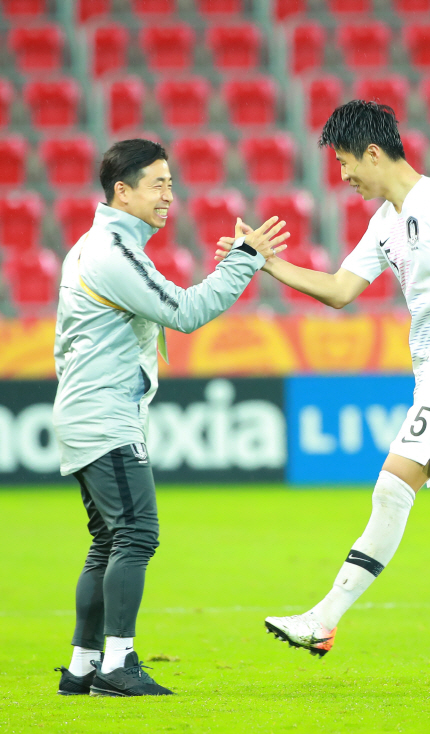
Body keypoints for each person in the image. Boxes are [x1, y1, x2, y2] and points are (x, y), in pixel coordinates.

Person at [217, 101, 430, 691]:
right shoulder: (384, 221)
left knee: (392, 485)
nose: (344, 176)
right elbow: (341, 290)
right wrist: (269, 265)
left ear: (374, 152)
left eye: (346, 163)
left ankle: (323, 620)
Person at [53, 138, 288, 697]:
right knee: (137, 533)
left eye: (171, 183)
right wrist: (246, 260)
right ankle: (118, 664)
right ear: (122, 191)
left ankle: (85, 667)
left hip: (88, 410)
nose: (169, 196)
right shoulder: (112, 252)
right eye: (158, 184)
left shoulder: (93, 246)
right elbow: (185, 312)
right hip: (103, 415)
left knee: (108, 541)